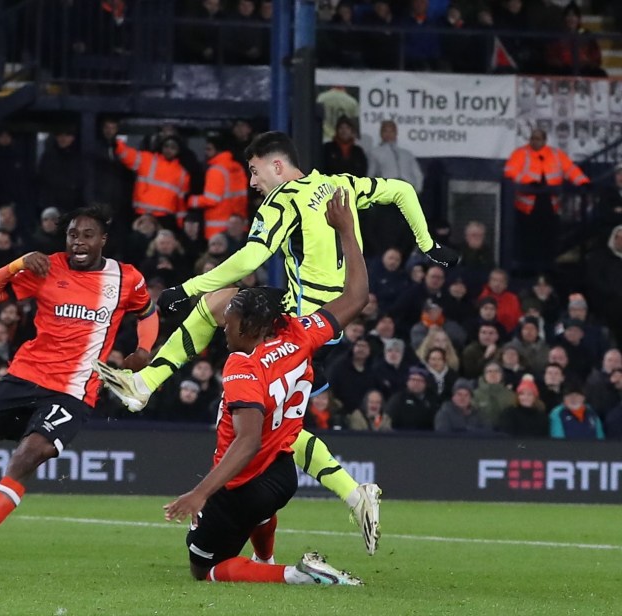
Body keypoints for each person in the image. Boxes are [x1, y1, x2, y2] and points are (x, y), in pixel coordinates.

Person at [96, 132, 458, 553]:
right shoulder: (340, 184)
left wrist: (186, 286)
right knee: (222, 310)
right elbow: (400, 189)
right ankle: (146, 384)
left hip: (304, 324)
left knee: (267, 425)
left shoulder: (285, 199)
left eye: (254, 171)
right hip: (328, 319)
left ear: (277, 166)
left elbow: (251, 258)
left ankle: (350, 495)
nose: (252, 183)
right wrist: (428, 245)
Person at [0, 206, 159, 552]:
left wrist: (145, 350)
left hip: (74, 390)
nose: (79, 242)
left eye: (88, 235)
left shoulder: (126, 278)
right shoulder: (46, 266)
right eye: (73, 235)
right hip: (24, 376)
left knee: (27, 456)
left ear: (103, 239)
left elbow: (148, 313)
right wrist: (17, 264)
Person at [162, 193, 368, 585]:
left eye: (231, 321)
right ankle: (264, 555)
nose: (224, 327)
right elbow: (357, 297)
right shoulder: (301, 333)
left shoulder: (243, 366)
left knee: (201, 569)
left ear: (252, 328)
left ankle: (300, 575)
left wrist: (201, 493)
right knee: (258, 513)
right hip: (282, 475)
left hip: (241, 483)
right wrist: (346, 231)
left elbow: (247, 441)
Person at [504, 128, 589, 274]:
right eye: (532, 138)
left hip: (550, 205)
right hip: (526, 208)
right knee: (527, 239)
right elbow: (510, 171)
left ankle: (548, 269)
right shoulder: (520, 153)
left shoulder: (556, 155)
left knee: (549, 238)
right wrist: (529, 181)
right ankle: (526, 270)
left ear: (544, 140)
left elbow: (570, 170)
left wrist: (583, 182)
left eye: (538, 138)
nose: (534, 141)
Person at [115, 134, 190, 227]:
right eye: (166, 146)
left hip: (164, 218)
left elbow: (181, 203)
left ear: (179, 150)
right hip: (142, 214)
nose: (168, 150)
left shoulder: (182, 174)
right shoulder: (146, 159)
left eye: (173, 147)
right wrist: (115, 141)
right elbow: (126, 154)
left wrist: (180, 224)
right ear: (161, 146)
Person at [186, 135, 249, 239]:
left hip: (218, 229)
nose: (206, 153)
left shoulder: (216, 170)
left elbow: (212, 200)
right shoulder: (237, 168)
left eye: (209, 149)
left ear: (219, 150)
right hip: (238, 227)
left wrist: (192, 200)